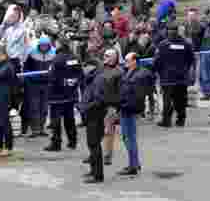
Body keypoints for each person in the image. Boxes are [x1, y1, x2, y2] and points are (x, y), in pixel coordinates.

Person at [79, 50, 122, 184]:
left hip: (95, 115)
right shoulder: (94, 78)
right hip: (93, 114)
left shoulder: (98, 79)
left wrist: (86, 107)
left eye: (85, 67)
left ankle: (97, 175)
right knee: (92, 144)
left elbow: (99, 99)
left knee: (94, 144)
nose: (83, 70)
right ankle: (93, 171)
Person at [116, 53, 153, 176]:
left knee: (129, 138)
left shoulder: (138, 75)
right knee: (129, 137)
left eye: (127, 60)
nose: (125, 62)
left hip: (128, 109)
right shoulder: (133, 72)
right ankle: (135, 163)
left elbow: (136, 95)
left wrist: (124, 105)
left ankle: (133, 165)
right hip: (128, 108)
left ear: (135, 61)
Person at [153, 23, 195, 128]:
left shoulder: (163, 45)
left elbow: (157, 61)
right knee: (180, 100)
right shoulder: (186, 44)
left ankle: (166, 121)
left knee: (167, 100)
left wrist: (158, 71)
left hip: (167, 77)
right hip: (181, 77)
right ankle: (181, 120)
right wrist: (185, 69)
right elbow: (190, 59)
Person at [44, 36, 81, 151]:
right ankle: (72, 141)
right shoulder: (75, 57)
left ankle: (56, 143)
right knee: (69, 119)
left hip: (57, 95)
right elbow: (79, 74)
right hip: (70, 94)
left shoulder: (57, 59)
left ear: (60, 44)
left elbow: (52, 77)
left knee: (56, 121)